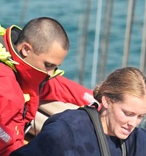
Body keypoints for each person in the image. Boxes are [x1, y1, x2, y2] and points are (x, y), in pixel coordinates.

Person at [10, 67, 146, 156]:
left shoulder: (136, 140)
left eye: (140, 116)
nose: (133, 123)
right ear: (106, 100)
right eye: (128, 113)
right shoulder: (65, 132)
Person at [0, 17, 95, 156]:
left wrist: (96, 98)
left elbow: (55, 86)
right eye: (48, 65)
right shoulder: (6, 89)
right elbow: (9, 149)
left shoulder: (22, 62)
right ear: (26, 49)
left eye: (55, 67)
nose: (50, 74)